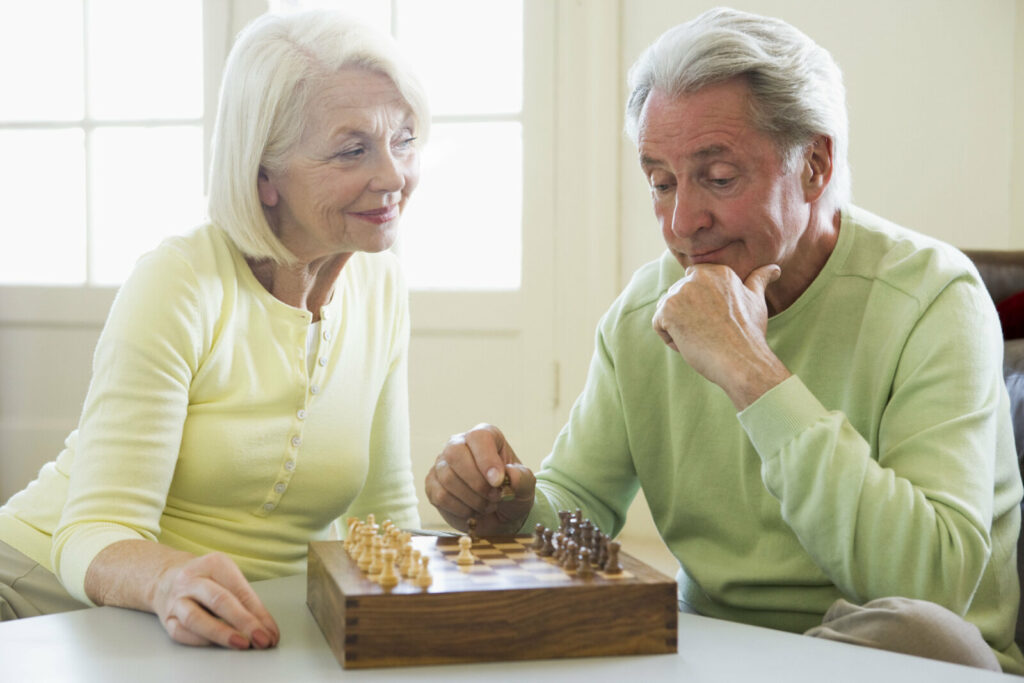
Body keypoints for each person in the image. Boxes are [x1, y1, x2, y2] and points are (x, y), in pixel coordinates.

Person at [425, 7, 1024, 674]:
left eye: (717, 176)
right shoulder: (643, 316)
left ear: (815, 164)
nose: (684, 222)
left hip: (900, 655)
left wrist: (751, 371)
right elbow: (577, 504)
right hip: (716, 652)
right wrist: (509, 505)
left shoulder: (937, 299)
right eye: (661, 181)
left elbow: (932, 585)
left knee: (922, 633)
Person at [0, 9, 427, 650]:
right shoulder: (181, 283)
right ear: (264, 176)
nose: (393, 176)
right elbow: (93, 529)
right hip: (41, 597)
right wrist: (169, 579)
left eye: (404, 139)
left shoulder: (383, 287)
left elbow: (384, 516)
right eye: (353, 149)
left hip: (226, 634)